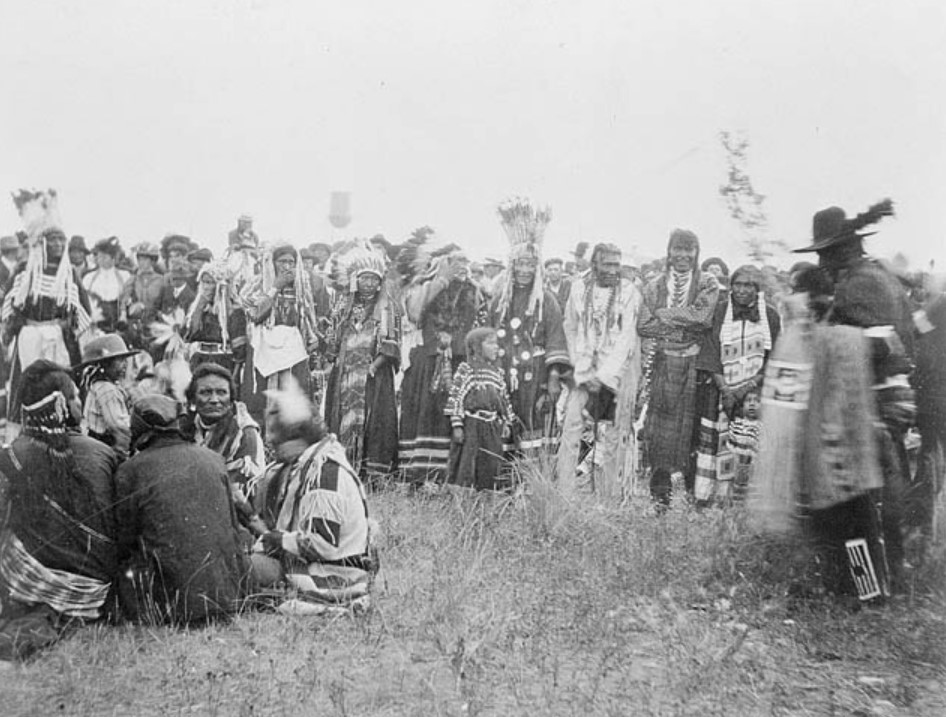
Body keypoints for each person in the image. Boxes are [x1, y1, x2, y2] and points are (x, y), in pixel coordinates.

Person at [793, 199, 913, 590]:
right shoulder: (873, 277)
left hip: (875, 402)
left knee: (857, 500)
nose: (823, 264)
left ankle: (866, 585)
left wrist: (825, 337)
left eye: (826, 254)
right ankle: (880, 580)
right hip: (879, 399)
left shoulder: (863, 283)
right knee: (871, 495)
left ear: (844, 249)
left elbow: (884, 344)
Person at [0, 360, 119, 662]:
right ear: (61, 406)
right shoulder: (102, 452)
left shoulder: (13, 454)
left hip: (24, 582)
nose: (81, 403)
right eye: (77, 397)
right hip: (92, 593)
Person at [114, 394, 249, 625]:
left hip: (169, 605)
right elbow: (232, 528)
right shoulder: (214, 459)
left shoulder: (130, 470)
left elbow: (124, 540)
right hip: (227, 597)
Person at [250, 383, 375, 612]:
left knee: (235, 567)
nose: (275, 451)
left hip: (331, 576)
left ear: (299, 438)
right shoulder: (298, 467)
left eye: (279, 444)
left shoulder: (324, 472)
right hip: (305, 564)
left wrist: (276, 540)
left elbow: (323, 543)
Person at [637, 229, 719, 506]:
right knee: (660, 431)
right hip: (663, 363)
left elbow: (702, 317)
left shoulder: (707, 282)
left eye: (689, 249)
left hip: (695, 365)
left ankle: (694, 497)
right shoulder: (654, 285)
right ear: (668, 251)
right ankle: (660, 497)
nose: (683, 255)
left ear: (697, 253)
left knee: (693, 430)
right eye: (677, 249)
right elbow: (643, 324)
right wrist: (679, 324)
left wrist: (665, 315)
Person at [556, 243, 643, 498]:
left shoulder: (630, 292)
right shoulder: (579, 288)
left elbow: (628, 338)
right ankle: (564, 492)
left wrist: (603, 377)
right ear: (594, 264)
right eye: (608, 264)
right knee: (571, 426)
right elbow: (570, 327)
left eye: (617, 264)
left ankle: (609, 496)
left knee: (613, 434)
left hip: (618, 374)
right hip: (583, 372)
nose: (613, 270)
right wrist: (581, 369)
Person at [2, 190, 92, 433]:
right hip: (29, 338)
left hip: (59, 341)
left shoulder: (69, 273)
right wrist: (15, 327)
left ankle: (64, 427)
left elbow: (84, 311)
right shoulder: (25, 270)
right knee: (25, 383)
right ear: (42, 243)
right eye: (52, 240)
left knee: (60, 383)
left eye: (61, 240)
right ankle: (21, 434)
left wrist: (67, 326)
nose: (57, 245)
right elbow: (8, 306)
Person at [692, 264, 781, 505]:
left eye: (748, 285)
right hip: (720, 390)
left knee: (748, 442)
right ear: (731, 287)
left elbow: (772, 358)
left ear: (757, 288)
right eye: (738, 284)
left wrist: (746, 388)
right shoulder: (720, 311)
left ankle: (743, 501)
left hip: (753, 393)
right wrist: (726, 390)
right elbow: (710, 350)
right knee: (717, 441)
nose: (742, 290)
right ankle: (711, 497)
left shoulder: (770, 315)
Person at [398, 247, 486, 484]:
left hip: (458, 362)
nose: (461, 265)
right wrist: (441, 282)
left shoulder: (473, 290)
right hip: (427, 362)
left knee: (454, 415)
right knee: (425, 414)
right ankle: (421, 475)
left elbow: (476, 321)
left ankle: (452, 473)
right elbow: (415, 314)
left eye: (464, 260)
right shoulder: (424, 286)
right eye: (455, 261)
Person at [491, 200, 569, 455]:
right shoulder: (499, 301)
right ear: (511, 266)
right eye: (520, 264)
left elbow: (556, 341)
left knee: (535, 422)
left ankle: (534, 482)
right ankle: (502, 481)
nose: (524, 270)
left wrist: (554, 381)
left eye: (530, 264)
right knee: (503, 423)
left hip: (535, 375)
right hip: (503, 371)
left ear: (537, 268)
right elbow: (489, 335)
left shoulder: (547, 301)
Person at [324, 243, 401, 482]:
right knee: (341, 417)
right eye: (364, 278)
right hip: (345, 373)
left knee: (374, 419)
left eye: (373, 279)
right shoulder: (343, 305)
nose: (369, 284)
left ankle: (373, 472)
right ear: (355, 280)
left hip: (373, 375)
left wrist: (374, 366)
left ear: (380, 282)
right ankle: (343, 466)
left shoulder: (387, 308)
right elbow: (333, 339)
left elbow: (391, 343)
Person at [240, 244, 329, 425]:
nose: (287, 266)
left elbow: (308, 321)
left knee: (293, 398)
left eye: (291, 262)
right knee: (261, 397)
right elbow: (255, 315)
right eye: (282, 261)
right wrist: (275, 287)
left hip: (292, 353)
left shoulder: (302, 288)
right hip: (263, 349)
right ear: (272, 263)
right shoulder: (256, 285)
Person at [184, 362, 266, 539]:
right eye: (206, 392)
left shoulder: (243, 434)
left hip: (236, 518)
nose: (214, 400)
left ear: (231, 399)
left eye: (221, 392)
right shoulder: (189, 425)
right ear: (192, 399)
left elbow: (237, 494)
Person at [446, 327, 516, 491]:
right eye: (490, 343)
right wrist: (457, 425)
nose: (496, 347)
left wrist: (506, 422)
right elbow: (456, 398)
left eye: (496, 343)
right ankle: (465, 498)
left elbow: (503, 400)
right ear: (476, 347)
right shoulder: (467, 370)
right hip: (472, 425)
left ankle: (488, 496)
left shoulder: (497, 373)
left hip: (492, 427)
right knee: (468, 462)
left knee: (491, 460)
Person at [77, 333, 139, 459]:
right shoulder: (106, 389)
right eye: (120, 360)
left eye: (125, 359)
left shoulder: (104, 386)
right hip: (106, 449)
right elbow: (119, 427)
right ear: (106, 364)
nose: (125, 364)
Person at [184, 262, 247, 373]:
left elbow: (239, 350)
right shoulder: (199, 308)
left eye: (210, 282)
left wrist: (235, 377)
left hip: (223, 363)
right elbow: (191, 335)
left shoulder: (234, 311)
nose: (205, 287)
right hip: (199, 361)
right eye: (203, 282)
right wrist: (199, 306)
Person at [83, 237, 132, 333]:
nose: (100, 259)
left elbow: (128, 299)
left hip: (118, 322)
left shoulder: (124, 275)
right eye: (99, 256)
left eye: (104, 256)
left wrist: (123, 315)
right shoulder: (89, 278)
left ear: (113, 258)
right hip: (95, 321)